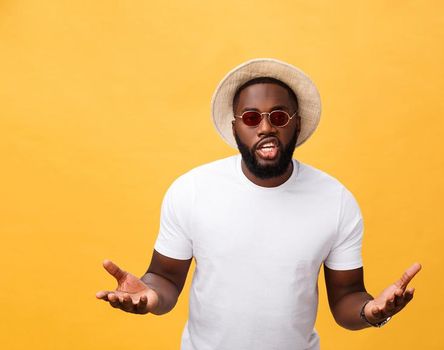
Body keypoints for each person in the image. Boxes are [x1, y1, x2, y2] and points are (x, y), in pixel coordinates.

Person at [94, 58, 421, 349]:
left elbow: (348, 298)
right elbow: (164, 278)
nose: (266, 127)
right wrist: (148, 296)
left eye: (279, 115)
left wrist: (373, 312)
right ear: (235, 127)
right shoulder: (191, 190)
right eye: (251, 117)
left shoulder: (335, 201)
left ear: (297, 123)